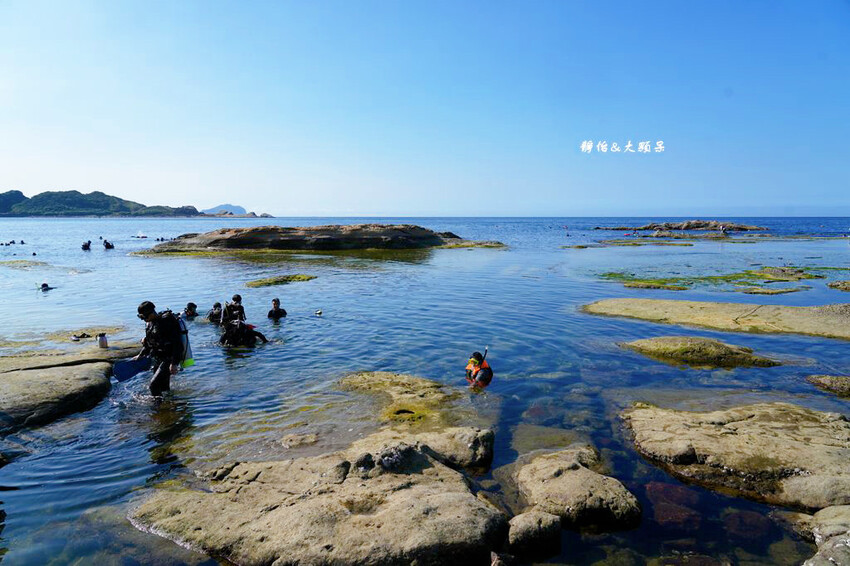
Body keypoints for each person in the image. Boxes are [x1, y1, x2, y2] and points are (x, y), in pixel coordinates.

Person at [135, 301, 185, 397]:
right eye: (140, 317)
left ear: (151, 313)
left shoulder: (167, 322)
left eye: (144, 317)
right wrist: (140, 355)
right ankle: (170, 403)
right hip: (159, 358)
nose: (143, 319)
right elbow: (149, 343)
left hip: (169, 358)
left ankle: (159, 406)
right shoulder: (149, 324)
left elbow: (177, 344)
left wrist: (174, 363)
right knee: (163, 387)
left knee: (153, 386)